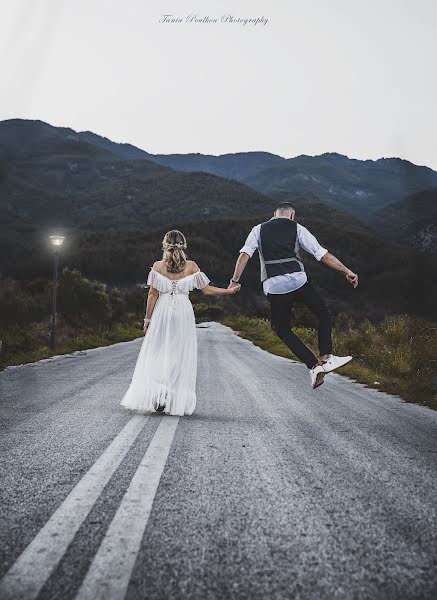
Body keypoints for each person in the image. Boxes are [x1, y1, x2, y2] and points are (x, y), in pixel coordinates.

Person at [228, 202, 358, 389]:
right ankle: (327, 357)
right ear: (292, 216)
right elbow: (322, 255)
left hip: (274, 286)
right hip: (298, 281)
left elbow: (244, 256)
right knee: (322, 312)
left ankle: (313, 366)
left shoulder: (258, 230)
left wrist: (234, 281)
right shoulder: (297, 228)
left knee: (281, 328)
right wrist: (347, 271)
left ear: (274, 214)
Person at [120, 229, 241, 416]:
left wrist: (147, 319)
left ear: (164, 245)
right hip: (183, 312)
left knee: (158, 351)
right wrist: (228, 291)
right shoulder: (191, 266)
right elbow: (207, 290)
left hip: (162, 311)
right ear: (184, 245)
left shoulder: (158, 266)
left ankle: (159, 393)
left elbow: (152, 294)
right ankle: (170, 394)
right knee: (178, 353)